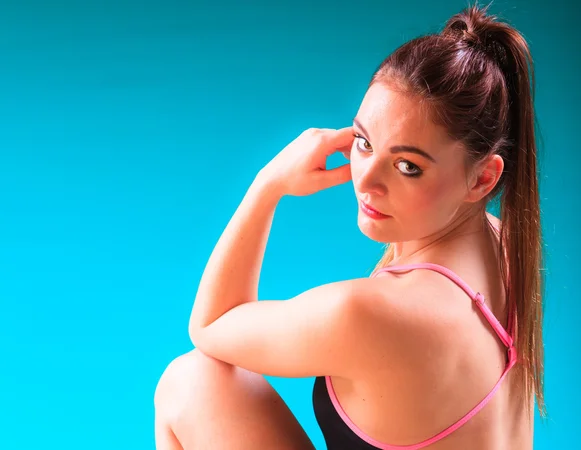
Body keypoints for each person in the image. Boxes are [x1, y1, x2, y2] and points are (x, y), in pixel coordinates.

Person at [154, 3, 545, 449]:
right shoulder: (505, 247)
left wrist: (269, 185)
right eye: (363, 141)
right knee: (199, 381)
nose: (368, 181)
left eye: (407, 165)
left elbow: (211, 325)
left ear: (483, 178)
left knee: (187, 381)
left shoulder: (367, 315)